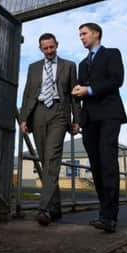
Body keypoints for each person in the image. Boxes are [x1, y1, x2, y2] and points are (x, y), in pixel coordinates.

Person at [71, 23, 127, 233]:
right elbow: (80, 90)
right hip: (89, 120)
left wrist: (90, 89)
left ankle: (110, 217)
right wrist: (76, 116)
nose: (82, 37)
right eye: (80, 35)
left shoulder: (112, 54)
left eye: (84, 33)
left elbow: (116, 80)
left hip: (109, 115)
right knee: (96, 166)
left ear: (96, 34)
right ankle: (104, 214)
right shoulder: (83, 64)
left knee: (107, 163)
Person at [19, 33, 81, 226]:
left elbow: (73, 96)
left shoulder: (69, 66)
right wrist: (23, 119)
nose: (49, 51)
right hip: (37, 112)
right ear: (40, 49)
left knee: (53, 157)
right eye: (45, 48)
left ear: (57, 45)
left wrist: (76, 120)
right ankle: (55, 209)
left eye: (51, 47)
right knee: (46, 162)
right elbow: (28, 92)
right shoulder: (33, 68)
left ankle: (44, 209)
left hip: (58, 113)